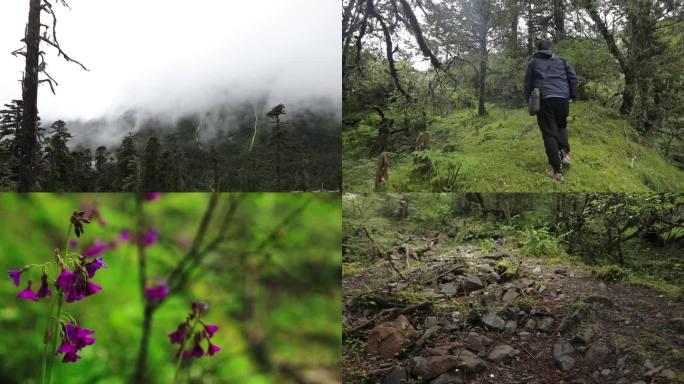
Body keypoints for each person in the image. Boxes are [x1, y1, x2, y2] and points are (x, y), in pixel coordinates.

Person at [524, 39, 578, 182]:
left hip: (545, 99)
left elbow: (527, 83)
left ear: (537, 49)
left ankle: (556, 171)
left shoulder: (533, 62)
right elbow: (572, 76)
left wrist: (529, 100)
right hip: (562, 99)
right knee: (561, 125)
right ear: (550, 48)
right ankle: (565, 155)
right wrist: (572, 95)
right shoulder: (561, 60)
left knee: (549, 133)